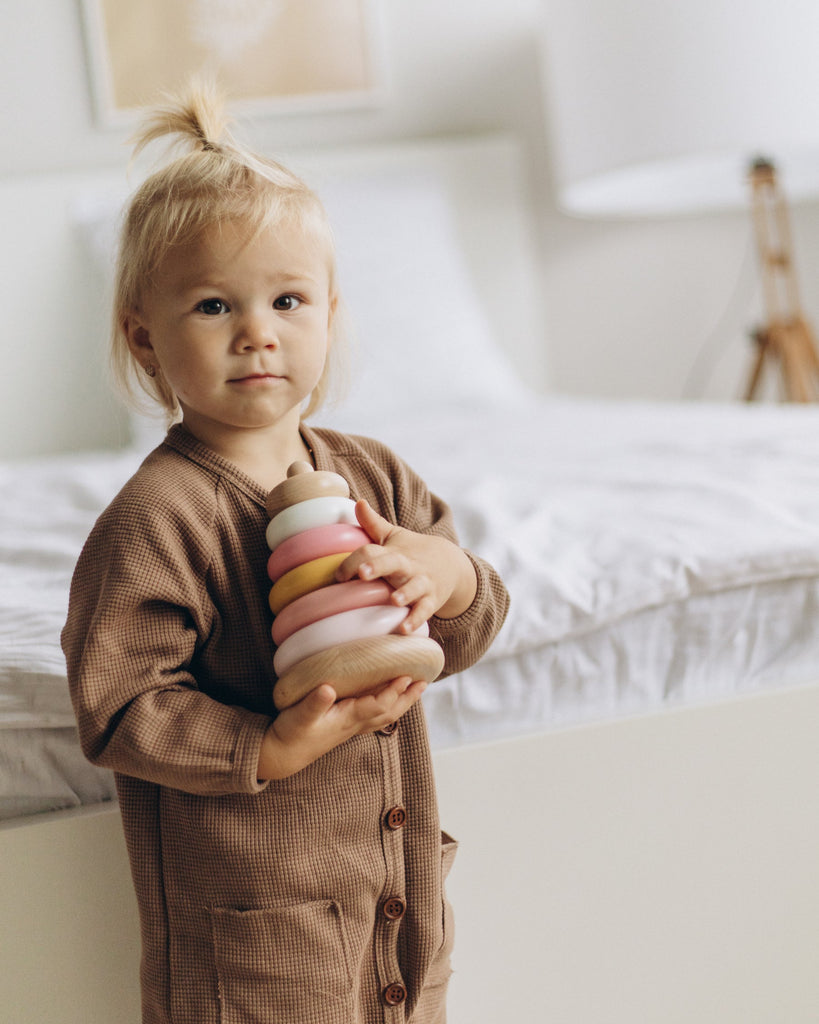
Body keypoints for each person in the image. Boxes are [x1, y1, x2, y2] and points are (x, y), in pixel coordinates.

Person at [62, 82, 509, 1024]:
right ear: (145, 340)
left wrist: (452, 576)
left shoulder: (375, 475)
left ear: (330, 315)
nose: (258, 330)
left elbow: (464, 626)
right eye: (215, 305)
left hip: (396, 910)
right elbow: (119, 705)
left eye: (288, 299)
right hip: (257, 942)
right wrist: (264, 745)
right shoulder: (158, 517)